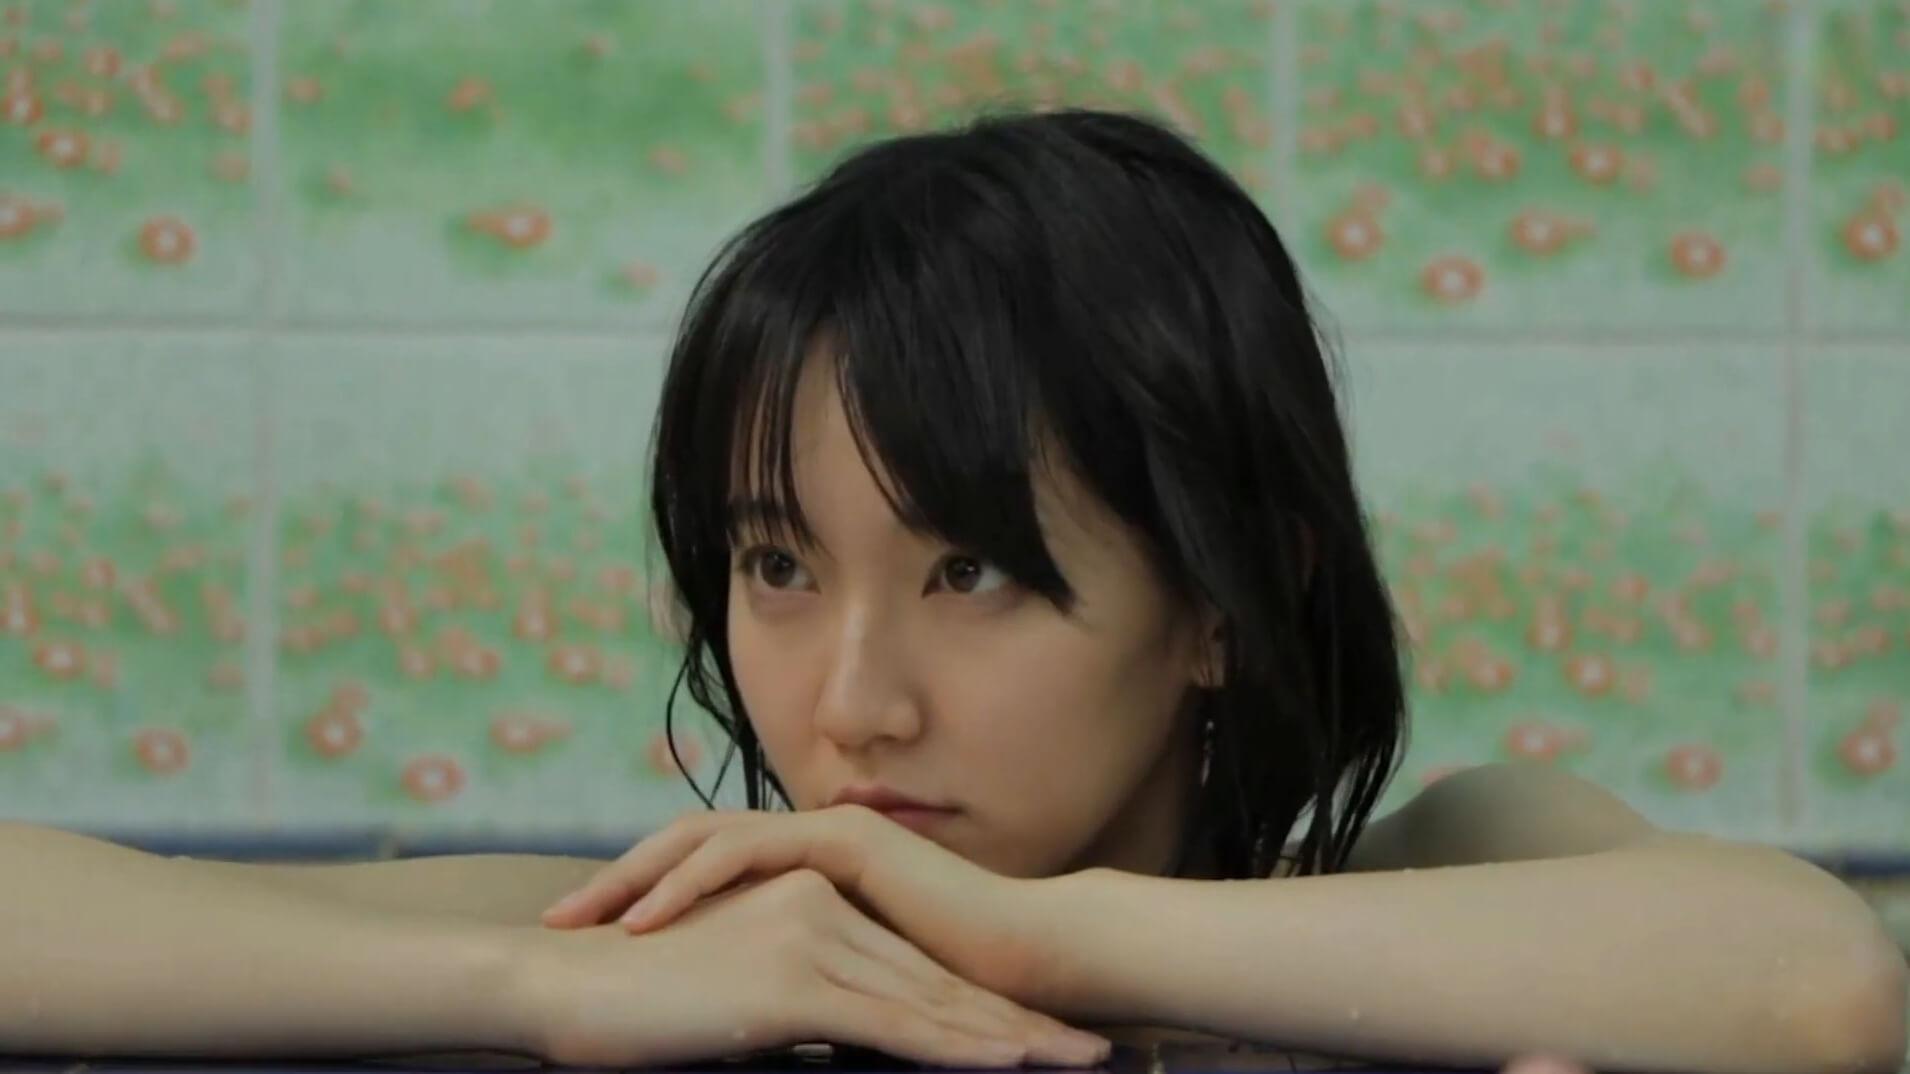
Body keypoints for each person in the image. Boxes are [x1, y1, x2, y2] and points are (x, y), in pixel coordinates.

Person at [1, 109, 1903, 1074]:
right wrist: (530, 980)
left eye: (970, 569)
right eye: (774, 564)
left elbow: (1818, 985)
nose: (851, 703)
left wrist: (1036, 938)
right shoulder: (694, 942)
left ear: (1228, 597)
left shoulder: (1447, 866)